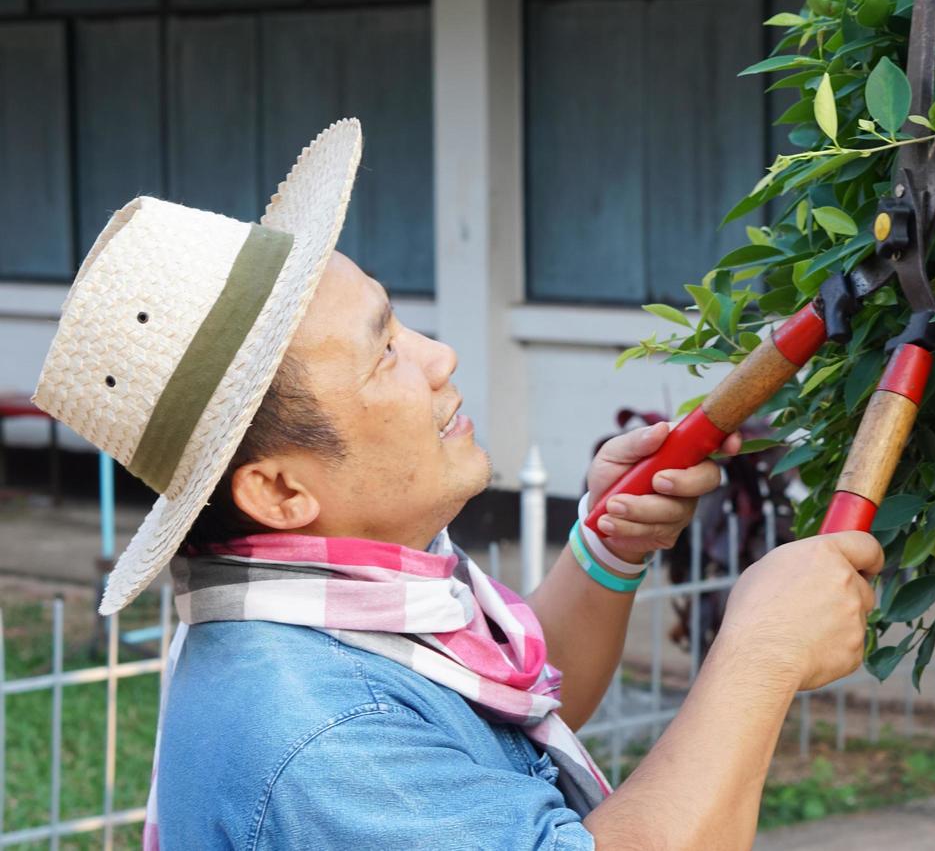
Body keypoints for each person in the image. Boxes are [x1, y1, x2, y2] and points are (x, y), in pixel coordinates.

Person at [32, 120, 883, 850]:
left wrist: (607, 551)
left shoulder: (328, 602)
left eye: (400, 323)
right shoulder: (322, 734)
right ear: (281, 491)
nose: (439, 359)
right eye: (384, 354)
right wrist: (760, 653)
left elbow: (508, 725)